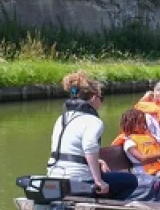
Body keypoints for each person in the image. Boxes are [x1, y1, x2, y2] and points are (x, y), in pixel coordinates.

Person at [47, 71, 137, 200]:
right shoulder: (93, 121)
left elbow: (70, 149)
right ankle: (103, 209)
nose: (101, 102)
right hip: (79, 179)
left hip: (54, 176)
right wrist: (98, 181)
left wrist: (98, 161)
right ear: (94, 98)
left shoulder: (62, 118)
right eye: (102, 98)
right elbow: (89, 147)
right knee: (131, 181)